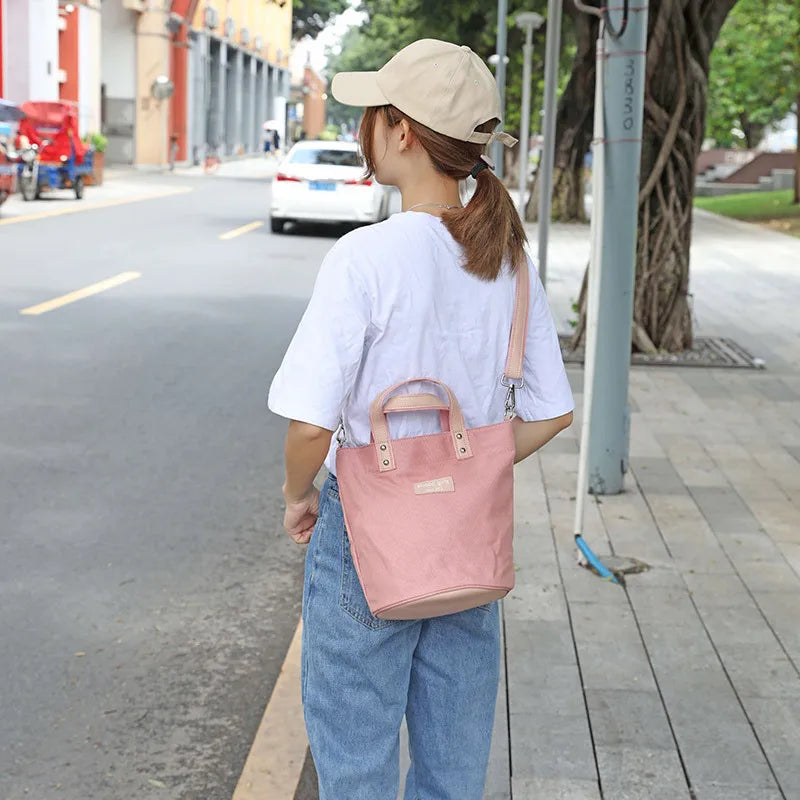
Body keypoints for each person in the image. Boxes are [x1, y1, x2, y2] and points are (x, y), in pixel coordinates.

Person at [267, 39, 574, 799]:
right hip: (466, 544)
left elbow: (310, 426)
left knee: (356, 750)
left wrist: (297, 496)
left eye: (372, 114)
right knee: (454, 757)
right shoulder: (507, 257)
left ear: (400, 131)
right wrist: (461, 472)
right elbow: (552, 414)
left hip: (365, 531)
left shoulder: (364, 258)